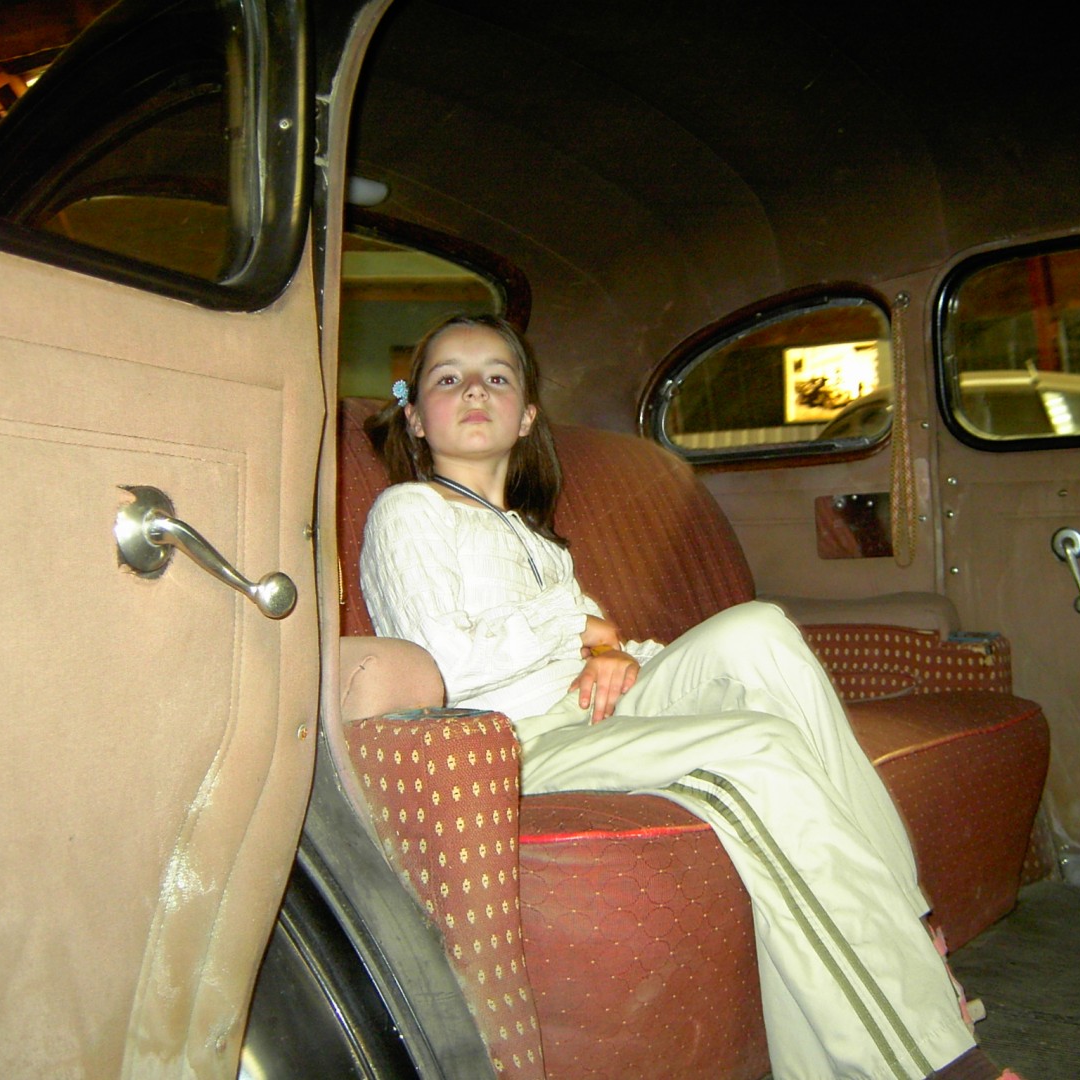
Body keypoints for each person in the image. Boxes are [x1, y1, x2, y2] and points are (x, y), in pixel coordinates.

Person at [360, 313, 1019, 1080]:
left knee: (758, 631)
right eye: (449, 378)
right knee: (760, 749)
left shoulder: (533, 537)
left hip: (592, 707)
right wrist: (578, 625)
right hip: (513, 741)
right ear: (416, 417)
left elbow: (597, 639)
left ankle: (905, 920)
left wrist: (611, 650)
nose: (475, 389)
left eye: (496, 376)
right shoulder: (408, 512)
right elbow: (445, 665)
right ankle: (937, 1065)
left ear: (528, 415)